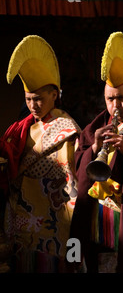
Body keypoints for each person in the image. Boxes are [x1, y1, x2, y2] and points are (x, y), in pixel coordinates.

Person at [70, 32, 123, 272]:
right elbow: (77, 161)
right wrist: (95, 148)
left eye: (121, 98)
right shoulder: (96, 127)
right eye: (110, 99)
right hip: (96, 217)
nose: (115, 106)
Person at [0, 35, 81, 272]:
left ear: (54, 95)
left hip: (52, 211)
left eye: (39, 99)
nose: (34, 105)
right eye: (28, 99)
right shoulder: (22, 127)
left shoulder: (65, 127)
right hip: (22, 210)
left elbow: (69, 171)